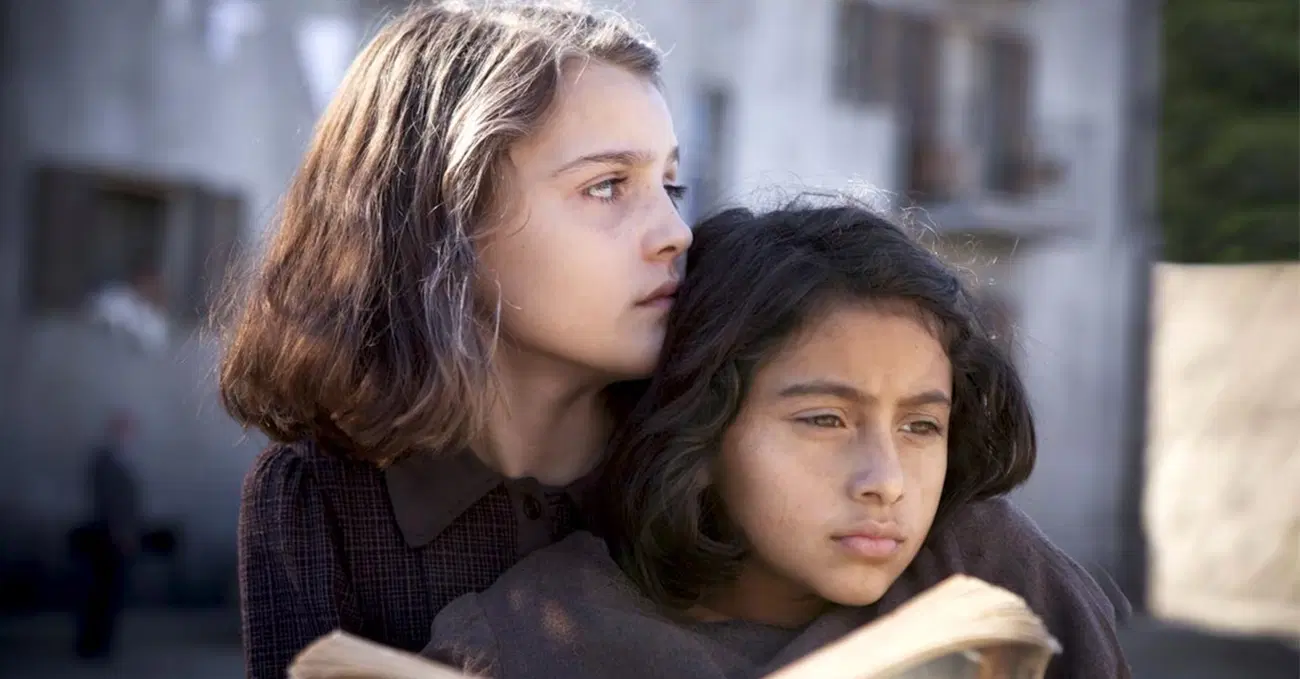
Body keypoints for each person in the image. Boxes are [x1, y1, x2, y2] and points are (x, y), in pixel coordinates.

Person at [424, 198, 1130, 679]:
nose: (886, 481)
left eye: (921, 426)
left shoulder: (984, 572)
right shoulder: (527, 641)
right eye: (825, 420)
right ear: (699, 431)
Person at [220, 3, 689, 677]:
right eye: (608, 185)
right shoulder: (315, 499)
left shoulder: (711, 457)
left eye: (671, 185)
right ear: (446, 217)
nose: (676, 232)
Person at [72, 413, 142, 660]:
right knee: (101, 593)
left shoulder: (118, 461)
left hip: (115, 538)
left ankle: (99, 642)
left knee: (108, 593)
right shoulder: (106, 462)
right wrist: (121, 534)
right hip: (108, 540)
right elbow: (111, 504)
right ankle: (93, 643)